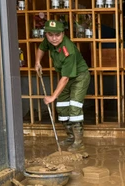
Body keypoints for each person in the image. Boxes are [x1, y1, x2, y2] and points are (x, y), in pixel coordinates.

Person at [35, 20, 90, 152]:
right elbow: (41, 48)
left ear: (63, 34)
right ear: (46, 34)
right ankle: (71, 136)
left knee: (74, 107)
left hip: (79, 76)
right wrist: (37, 62)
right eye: (50, 35)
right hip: (66, 76)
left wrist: (52, 97)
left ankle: (79, 142)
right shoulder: (49, 41)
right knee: (62, 106)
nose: (54, 38)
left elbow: (65, 78)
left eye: (57, 35)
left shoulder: (68, 50)